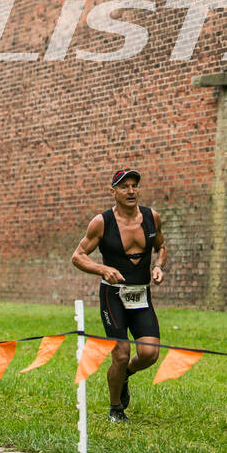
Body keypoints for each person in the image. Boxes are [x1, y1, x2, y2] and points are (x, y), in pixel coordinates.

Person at [71, 168, 167, 422]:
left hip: (141, 294)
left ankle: (124, 375)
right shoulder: (102, 222)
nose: (131, 191)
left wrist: (158, 266)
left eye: (135, 185)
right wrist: (102, 269)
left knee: (149, 354)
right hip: (113, 296)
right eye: (124, 187)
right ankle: (116, 408)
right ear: (113, 192)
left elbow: (161, 247)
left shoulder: (151, 217)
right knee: (121, 354)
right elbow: (78, 257)